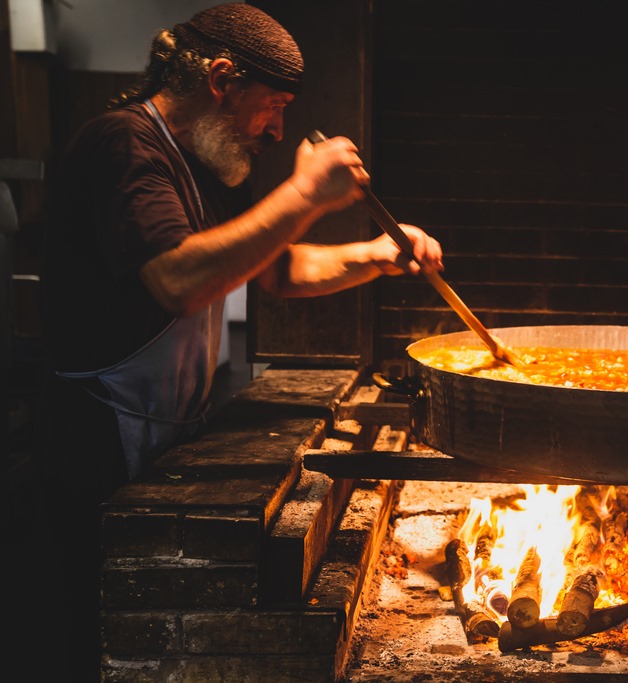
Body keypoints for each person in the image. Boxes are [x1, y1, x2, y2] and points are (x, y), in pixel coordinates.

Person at [34, 4, 443, 680]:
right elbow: (177, 278)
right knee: (96, 634)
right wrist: (305, 193)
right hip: (95, 435)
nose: (277, 128)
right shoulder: (124, 145)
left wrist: (376, 255)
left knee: (165, 637)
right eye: (272, 106)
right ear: (221, 78)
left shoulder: (211, 163)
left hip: (166, 426)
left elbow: (275, 266)